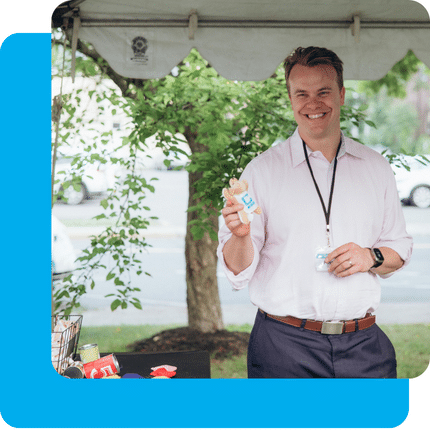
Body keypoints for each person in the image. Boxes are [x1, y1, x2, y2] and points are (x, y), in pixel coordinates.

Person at [217, 46, 413, 378]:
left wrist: (372, 256)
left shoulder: (375, 167)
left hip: (364, 348)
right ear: (291, 99)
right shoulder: (262, 170)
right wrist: (241, 236)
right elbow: (237, 271)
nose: (313, 103)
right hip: (284, 347)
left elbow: (401, 248)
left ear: (342, 94)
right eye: (302, 94)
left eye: (323, 92)